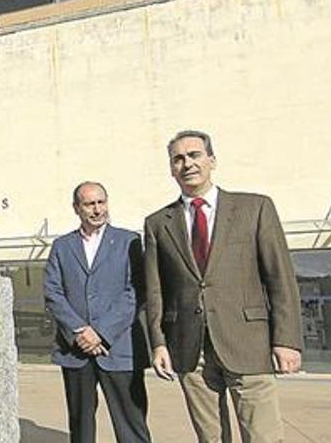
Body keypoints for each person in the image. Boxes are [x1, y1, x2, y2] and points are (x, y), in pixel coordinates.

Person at [143, 130, 303, 443]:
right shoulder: (157, 223)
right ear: (171, 168)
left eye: (194, 155)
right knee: (210, 438)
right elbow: (155, 290)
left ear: (212, 161)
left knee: (264, 436)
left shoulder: (254, 208)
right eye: (178, 159)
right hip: (190, 348)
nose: (187, 163)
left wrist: (287, 339)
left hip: (248, 343)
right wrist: (158, 343)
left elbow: (280, 278)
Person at [44, 182, 152, 443]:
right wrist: (80, 331)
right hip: (75, 350)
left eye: (101, 202)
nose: (97, 209)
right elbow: (52, 292)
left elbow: (136, 292)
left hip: (119, 348)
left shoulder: (129, 242)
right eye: (89, 204)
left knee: (131, 424)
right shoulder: (62, 246)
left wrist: (101, 333)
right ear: (76, 208)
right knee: (80, 427)